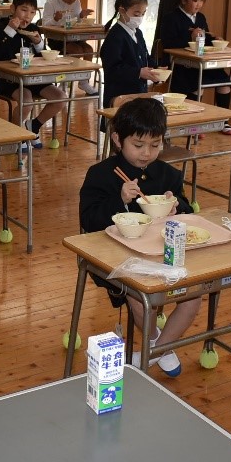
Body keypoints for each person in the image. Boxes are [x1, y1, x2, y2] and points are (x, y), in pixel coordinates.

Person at [79, 98, 196, 377]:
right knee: (139, 295)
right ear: (118, 139)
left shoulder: (167, 174)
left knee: (193, 296)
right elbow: (88, 219)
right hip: (117, 257)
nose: (146, 154)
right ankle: (161, 346)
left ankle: (153, 352)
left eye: (155, 145)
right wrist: (119, 200)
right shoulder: (101, 175)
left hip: (162, 254)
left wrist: (177, 206)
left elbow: (188, 212)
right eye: (138, 145)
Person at [0, 0, 68, 150]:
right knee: (27, 100)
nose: (27, 16)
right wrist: (9, 30)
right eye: (23, 10)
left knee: (60, 97)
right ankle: (16, 135)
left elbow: (44, 55)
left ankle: (33, 127)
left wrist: (38, 43)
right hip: (8, 80)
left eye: (32, 12)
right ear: (12, 9)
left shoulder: (32, 29)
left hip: (33, 79)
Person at [153, 0, 231, 135]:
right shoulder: (171, 18)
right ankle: (194, 123)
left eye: (201, 0)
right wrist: (190, 36)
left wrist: (216, 40)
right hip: (182, 65)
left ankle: (224, 121)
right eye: (195, 0)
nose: (198, 4)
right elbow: (169, 44)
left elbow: (206, 39)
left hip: (200, 63)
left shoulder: (201, 17)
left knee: (225, 83)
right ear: (183, 0)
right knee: (197, 85)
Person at [100, 0, 161, 109]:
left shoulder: (138, 33)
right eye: (136, 13)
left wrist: (156, 69)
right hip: (119, 95)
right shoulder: (115, 36)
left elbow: (145, 57)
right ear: (122, 11)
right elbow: (112, 69)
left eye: (143, 14)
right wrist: (138, 72)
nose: (140, 18)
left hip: (138, 93)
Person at [42, 0, 98, 96]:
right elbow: (44, 24)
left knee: (89, 50)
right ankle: (63, 82)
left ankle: (83, 82)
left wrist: (81, 16)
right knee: (76, 50)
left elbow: (76, 20)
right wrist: (55, 19)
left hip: (73, 36)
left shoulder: (77, 2)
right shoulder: (51, 3)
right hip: (56, 39)